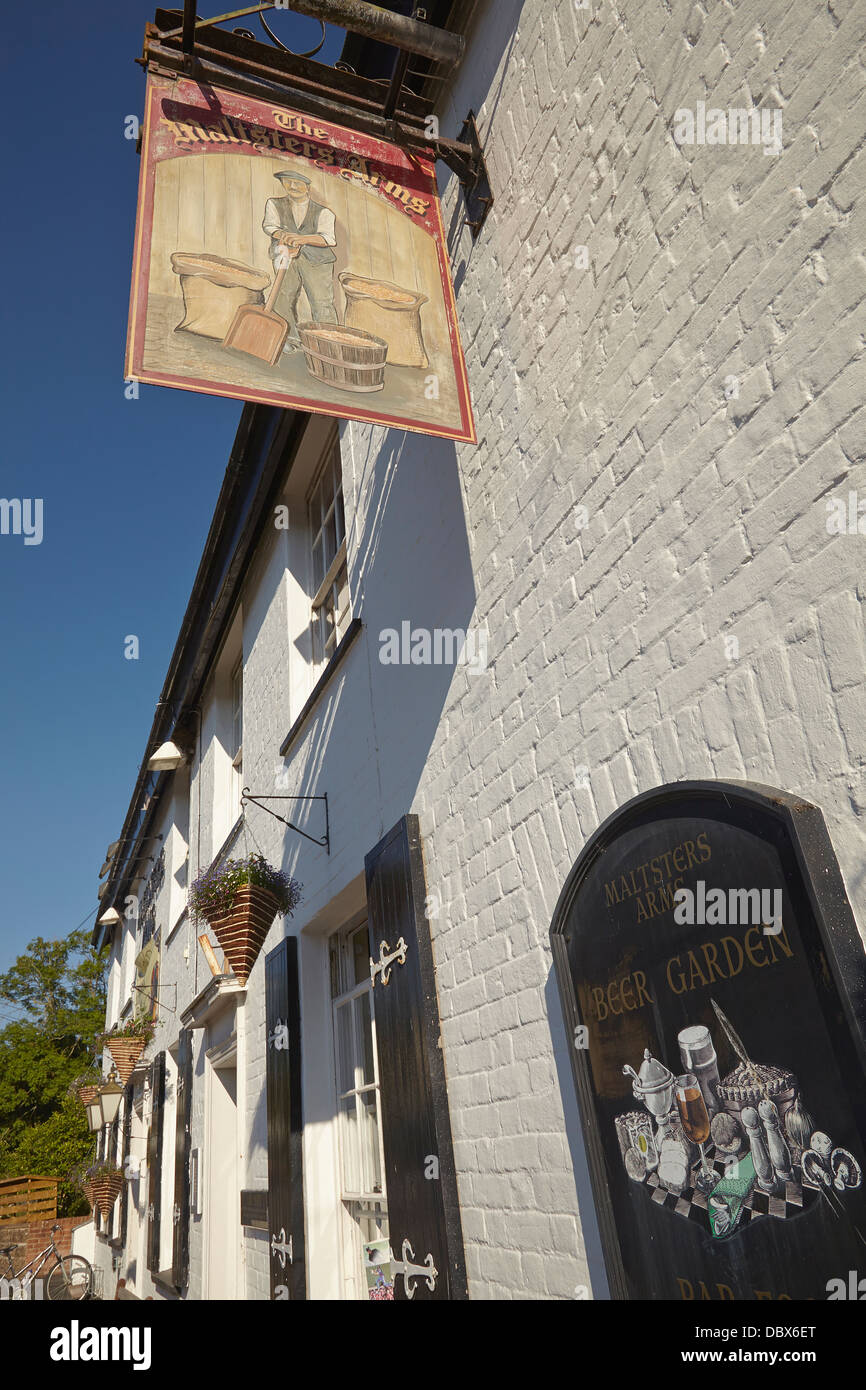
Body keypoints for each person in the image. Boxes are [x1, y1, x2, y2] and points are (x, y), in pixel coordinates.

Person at [262, 169, 338, 350]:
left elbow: (329, 239)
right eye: (287, 182)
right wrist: (283, 236)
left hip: (318, 261)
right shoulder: (274, 203)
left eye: (297, 183)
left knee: (321, 303)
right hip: (285, 255)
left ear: (308, 187)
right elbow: (269, 226)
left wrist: (301, 239)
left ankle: (329, 345)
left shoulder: (324, 213)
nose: (292, 186)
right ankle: (288, 339)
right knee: (283, 297)